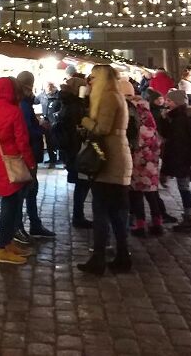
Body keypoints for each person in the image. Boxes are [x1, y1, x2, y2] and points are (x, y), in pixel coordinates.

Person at [77, 65, 133, 275]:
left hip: (110, 159)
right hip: (114, 157)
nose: (89, 81)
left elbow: (102, 128)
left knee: (102, 210)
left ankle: (99, 258)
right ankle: (121, 256)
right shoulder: (114, 95)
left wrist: (84, 120)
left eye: (92, 77)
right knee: (116, 211)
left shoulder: (109, 97)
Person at [0, 77, 37, 264]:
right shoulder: (15, 111)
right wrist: (31, 165)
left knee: (10, 202)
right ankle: (3, 248)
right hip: (13, 161)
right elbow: (22, 142)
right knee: (11, 205)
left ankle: (8, 243)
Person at [15, 72, 56, 239]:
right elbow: (26, 131)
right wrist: (42, 128)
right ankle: (22, 227)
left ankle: (33, 223)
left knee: (30, 189)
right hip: (28, 152)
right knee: (26, 190)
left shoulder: (22, 102)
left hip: (28, 152)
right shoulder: (23, 104)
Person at [120, 81, 164, 236]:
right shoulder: (145, 108)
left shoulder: (128, 108)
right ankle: (157, 223)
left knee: (136, 192)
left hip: (137, 155)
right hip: (151, 155)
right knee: (151, 192)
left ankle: (140, 225)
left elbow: (129, 133)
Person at [160, 89, 191, 233]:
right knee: (183, 187)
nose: (167, 103)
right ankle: (189, 216)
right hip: (177, 157)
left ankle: (189, 217)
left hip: (184, 159)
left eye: (169, 101)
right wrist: (164, 119)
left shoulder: (187, 117)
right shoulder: (173, 116)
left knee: (184, 188)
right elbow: (166, 135)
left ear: (177, 102)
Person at [56, 76, 90, 228]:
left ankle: (79, 215)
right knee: (83, 183)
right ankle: (78, 216)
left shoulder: (67, 103)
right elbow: (79, 127)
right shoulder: (76, 106)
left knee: (82, 183)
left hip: (72, 150)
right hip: (79, 150)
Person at [40, 82, 62, 167]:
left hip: (55, 122)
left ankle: (58, 159)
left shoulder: (58, 96)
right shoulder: (43, 95)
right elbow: (35, 100)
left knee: (56, 141)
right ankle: (52, 159)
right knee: (50, 142)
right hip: (48, 122)